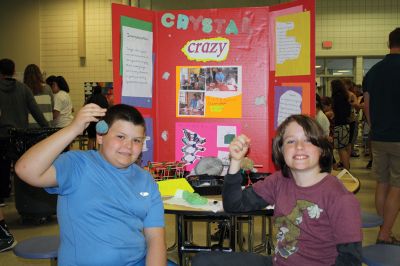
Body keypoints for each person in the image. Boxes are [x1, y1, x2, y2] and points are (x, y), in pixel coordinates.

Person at [193, 114, 362, 266]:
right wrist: (236, 162)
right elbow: (234, 205)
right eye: (291, 141)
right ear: (281, 150)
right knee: (203, 260)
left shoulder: (339, 197)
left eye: (308, 140)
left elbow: (350, 260)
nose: (299, 147)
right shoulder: (279, 180)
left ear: (322, 149)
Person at [15, 103, 167, 265]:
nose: (128, 147)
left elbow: (155, 238)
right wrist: (73, 129)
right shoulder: (77, 165)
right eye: (120, 137)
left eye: (136, 140)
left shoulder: (145, 179)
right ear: (100, 136)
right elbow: (25, 169)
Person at [0, 58, 48, 251]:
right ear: (13, 71)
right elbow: (36, 113)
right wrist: (47, 130)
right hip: (20, 138)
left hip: (0, 137)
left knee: (2, 176)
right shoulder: (23, 89)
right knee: (23, 173)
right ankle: (30, 209)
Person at [362, 27, 400, 245]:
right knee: (397, 186)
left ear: (389, 43)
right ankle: (385, 234)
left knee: (382, 183)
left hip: (379, 137)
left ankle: (384, 230)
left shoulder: (373, 71)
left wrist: (374, 127)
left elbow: (367, 105)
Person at [331, 79, 351, 170]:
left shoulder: (337, 97)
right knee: (344, 149)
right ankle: (347, 169)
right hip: (346, 125)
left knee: (341, 149)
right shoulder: (345, 97)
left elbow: (338, 112)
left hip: (340, 125)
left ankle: (347, 170)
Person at [85, 85, 109, 149]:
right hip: (101, 120)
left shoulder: (90, 98)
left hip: (91, 121)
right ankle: (99, 153)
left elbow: (85, 108)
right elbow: (106, 108)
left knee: (91, 139)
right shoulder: (104, 98)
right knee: (100, 138)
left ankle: (89, 154)